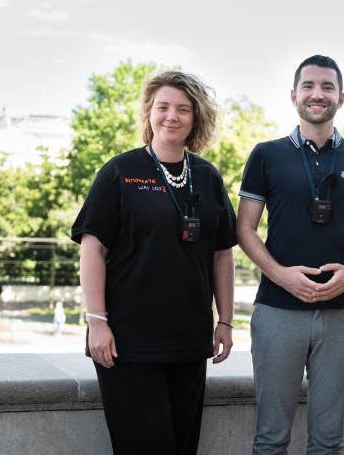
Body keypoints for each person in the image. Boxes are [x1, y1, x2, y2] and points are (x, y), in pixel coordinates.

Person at [71, 71, 237, 454]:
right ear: (149, 113)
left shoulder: (208, 177)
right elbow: (92, 248)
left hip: (190, 340)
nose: (171, 116)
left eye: (183, 109)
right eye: (162, 107)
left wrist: (224, 321)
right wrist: (97, 322)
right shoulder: (120, 172)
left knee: (181, 447)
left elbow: (222, 252)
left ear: (196, 118)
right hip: (128, 343)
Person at [237, 55, 344, 454]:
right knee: (270, 439)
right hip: (277, 311)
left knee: (328, 442)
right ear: (293, 95)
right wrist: (280, 274)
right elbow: (244, 228)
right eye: (309, 86)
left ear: (341, 97)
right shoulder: (265, 154)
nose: (317, 94)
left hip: (343, 314)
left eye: (327, 87)